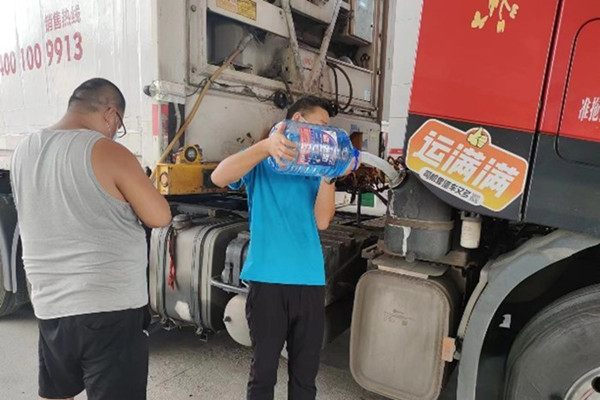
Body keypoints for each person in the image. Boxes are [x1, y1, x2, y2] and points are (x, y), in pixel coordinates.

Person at [10, 78, 172, 400]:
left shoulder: (24, 150)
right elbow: (160, 216)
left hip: (51, 304)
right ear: (110, 114)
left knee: (58, 394)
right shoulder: (108, 150)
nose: (114, 132)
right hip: (109, 306)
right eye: (118, 126)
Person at [211, 96, 354, 400]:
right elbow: (219, 176)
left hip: (309, 281)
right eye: (322, 125)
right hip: (267, 281)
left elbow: (322, 221)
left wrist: (329, 176)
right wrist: (265, 146)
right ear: (298, 120)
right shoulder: (263, 161)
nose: (326, 134)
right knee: (263, 374)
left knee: (305, 378)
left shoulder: (316, 169)